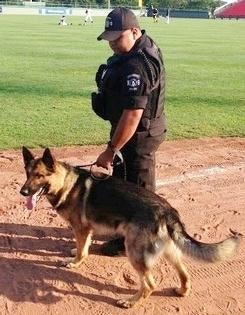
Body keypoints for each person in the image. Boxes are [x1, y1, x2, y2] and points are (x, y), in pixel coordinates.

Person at [91, 7, 167, 256]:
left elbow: (133, 115)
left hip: (140, 136)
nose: (112, 44)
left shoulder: (138, 65)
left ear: (134, 31)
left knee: (140, 191)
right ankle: (126, 228)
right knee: (125, 183)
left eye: (117, 38)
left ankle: (141, 240)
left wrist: (111, 150)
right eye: (109, 39)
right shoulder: (135, 51)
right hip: (131, 133)